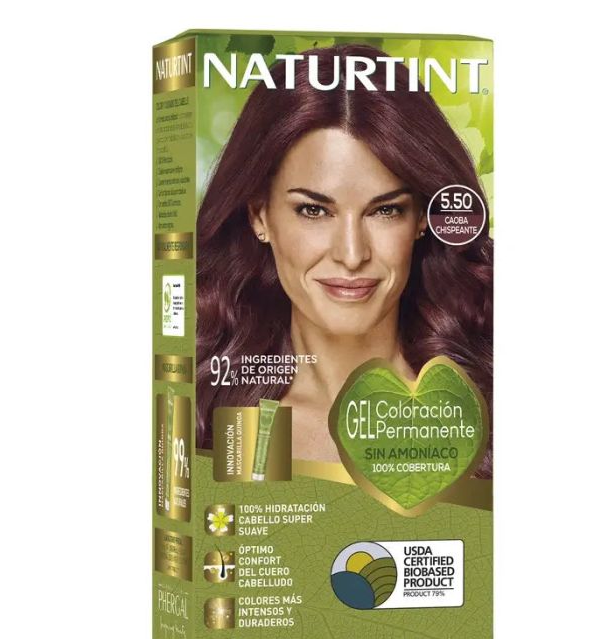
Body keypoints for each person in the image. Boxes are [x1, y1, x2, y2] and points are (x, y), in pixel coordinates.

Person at [196, 44, 492, 475]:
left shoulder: (486, 403)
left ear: (422, 219)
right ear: (260, 216)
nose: (352, 255)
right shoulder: (212, 417)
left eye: (385, 210)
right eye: (313, 210)